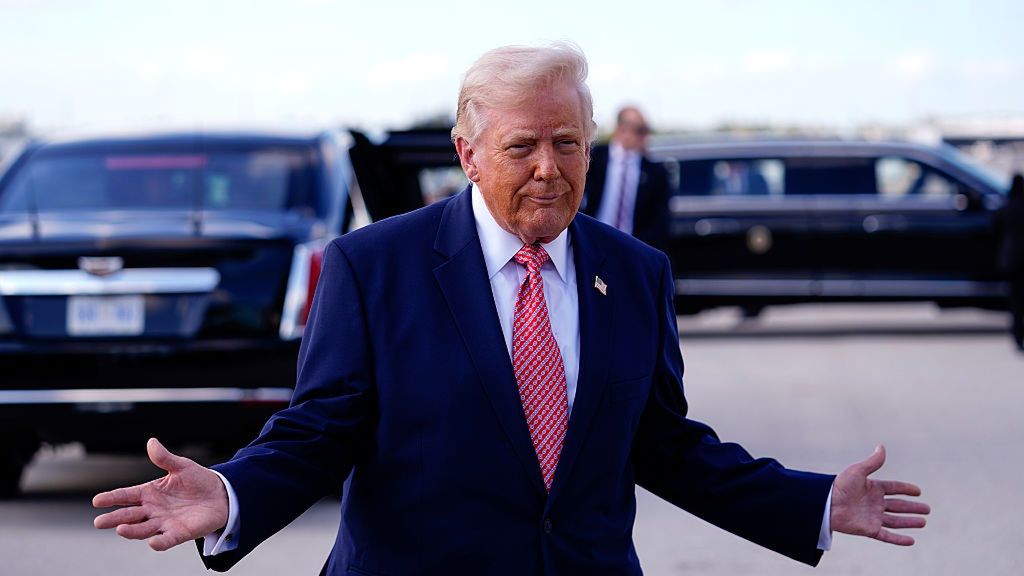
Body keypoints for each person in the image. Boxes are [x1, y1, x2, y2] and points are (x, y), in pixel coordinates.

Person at [93, 43, 929, 575]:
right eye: (521, 146)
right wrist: (233, 494)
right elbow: (319, 433)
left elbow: (666, 446)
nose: (547, 168)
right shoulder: (372, 266)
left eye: (567, 143)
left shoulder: (634, 273)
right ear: (468, 154)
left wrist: (812, 502)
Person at [581, 106, 671, 250]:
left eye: (646, 131)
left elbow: (659, 222)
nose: (645, 136)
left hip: (631, 247)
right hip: (593, 242)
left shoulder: (655, 172)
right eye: (640, 131)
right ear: (621, 129)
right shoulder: (593, 158)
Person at [998, 174, 1024, 350]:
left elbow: (994, 225)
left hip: (1013, 260)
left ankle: (1017, 334)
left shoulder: (1007, 207)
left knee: (1016, 300)